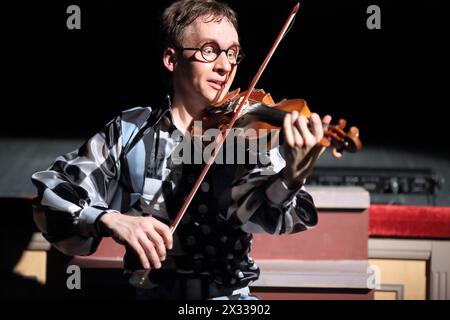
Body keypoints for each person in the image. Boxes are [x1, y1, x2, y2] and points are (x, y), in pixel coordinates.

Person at [31, 0, 331, 300]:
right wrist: (109, 219)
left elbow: (269, 216)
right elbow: (52, 197)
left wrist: (293, 176)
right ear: (172, 59)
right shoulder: (131, 132)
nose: (225, 66)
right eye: (209, 50)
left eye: (232, 53)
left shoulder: (242, 136)